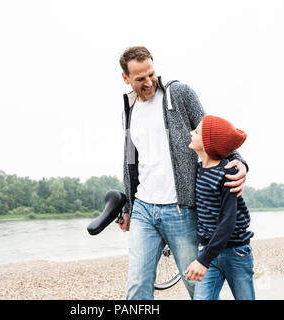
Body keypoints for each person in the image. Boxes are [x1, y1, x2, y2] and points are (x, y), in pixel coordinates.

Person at [117, 46, 249, 300]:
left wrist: (240, 161)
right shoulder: (129, 108)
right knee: (136, 286)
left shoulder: (178, 94)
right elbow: (129, 160)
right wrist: (128, 206)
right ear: (126, 78)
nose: (149, 82)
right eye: (140, 78)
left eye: (151, 74)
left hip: (181, 210)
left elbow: (212, 129)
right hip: (144, 208)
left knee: (197, 287)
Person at [184, 115, 255, 300]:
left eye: (197, 131)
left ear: (208, 143)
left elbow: (228, 222)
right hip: (208, 251)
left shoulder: (228, 173)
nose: (191, 132)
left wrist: (203, 260)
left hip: (236, 251)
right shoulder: (198, 170)